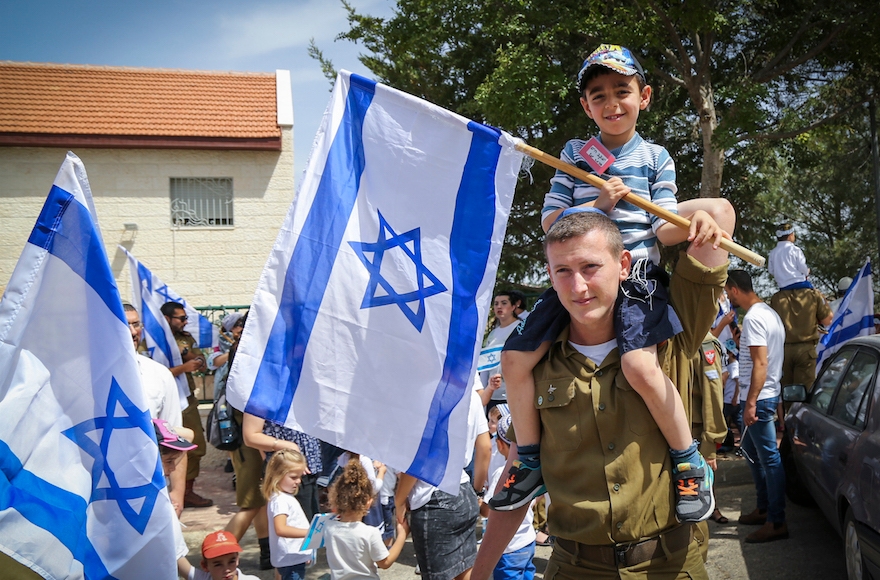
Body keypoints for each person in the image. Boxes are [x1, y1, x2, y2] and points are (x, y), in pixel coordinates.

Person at [491, 43, 733, 526]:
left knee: (642, 366)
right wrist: (598, 204)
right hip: (576, 275)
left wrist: (698, 221)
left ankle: (687, 461)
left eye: (622, 91)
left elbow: (663, 230)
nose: (611, 103)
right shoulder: (573, 156)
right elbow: (551, 223)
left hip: (637, 278)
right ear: (586, 106)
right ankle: (532, 458)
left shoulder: (656, 157)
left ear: (643, 96)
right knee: (514, 357)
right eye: (598, 95)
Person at [474, 208, 731, 579]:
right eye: (563, 271)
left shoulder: (671, 332)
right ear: (550, 274)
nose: (577, 287)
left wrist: (675, 217)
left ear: (624, 263)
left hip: (669, 566)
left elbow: (721, 214)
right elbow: (519, 470)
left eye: (591, 267)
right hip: (575, 568)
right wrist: (480, 574)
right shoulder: (534, 366)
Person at [396, 387, 491, 580]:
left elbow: (421, 458)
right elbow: (485, 448)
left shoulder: (427, 393)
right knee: (465, 571)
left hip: (433, 498)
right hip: (464, 490)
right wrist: (477, 490)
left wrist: (399, 500)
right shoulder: (471, 395)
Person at [725, 269, 789, 543]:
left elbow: (761, 363)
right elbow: (761, 358)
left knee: (770, 459)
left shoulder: (753, 318)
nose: (729, 298)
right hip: (765, 395)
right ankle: (764, 509)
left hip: (760, 398)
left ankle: (776, 521)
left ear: (734, 289)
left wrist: (750, 402)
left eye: (728, 293)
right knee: (752, 453)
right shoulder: (770, 314)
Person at [124, 303, 186, 514]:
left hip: (152, 488)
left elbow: (176, 440)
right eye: (125, 325)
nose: (133, 332)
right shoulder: (87, 376)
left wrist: (177, 494)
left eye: (136, 324)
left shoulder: (159, 374)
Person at [161, 300, 213, 508]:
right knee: (166, 445)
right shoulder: (151, 341)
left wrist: (195, 360)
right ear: (167, 319)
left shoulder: (184, 338)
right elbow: (156, 372)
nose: (185, 322)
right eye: (181, 318)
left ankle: (187, 490)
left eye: (185, 318)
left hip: (186, 397)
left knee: (195, 445)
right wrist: (183, 367)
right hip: (162, 398)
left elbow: (200, 359)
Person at [323, 458, 410, 579]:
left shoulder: (328, 527)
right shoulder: (369, 533)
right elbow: (385, 562)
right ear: (368, 502)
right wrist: (402, 535)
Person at [480, 414, 537, 580]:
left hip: (509, 548)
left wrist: (480, 504)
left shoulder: (501, 475)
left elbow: (488, 511)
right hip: (528, 541)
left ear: (499, 444)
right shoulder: (531, 472)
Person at [690, 332, 730, 540]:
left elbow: (712, 393)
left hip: (693, 431)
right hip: (671, 427)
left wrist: (710, 443)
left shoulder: (704, 343)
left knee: (697, 495)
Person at [769, 277, 832, 389]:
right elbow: (828, 320)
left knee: (785, 392)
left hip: (783, 351)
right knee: (804, 393)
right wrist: (822, 299)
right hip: (806, 351)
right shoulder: (813, 295)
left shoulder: (777, 298)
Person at [262, 449, 312, 580]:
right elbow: (281, 528)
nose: (299, 481)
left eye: (300, 476)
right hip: (290, 560)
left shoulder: (284, 497)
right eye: (294, 477)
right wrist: (310, 533)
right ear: (277, 475)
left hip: (294, 557)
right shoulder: (280, 500)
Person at [478, 291, 527, 411]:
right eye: (496, 304)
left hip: (513, 393)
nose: (499, 307)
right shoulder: (492, 334)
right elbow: (485, 366)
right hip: (493, 393)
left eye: (504, 303)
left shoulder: (520, 328)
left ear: (514, 306)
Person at [189, 530, 260, 580]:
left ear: (237, 559)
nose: (227, 570)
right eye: (218, 565)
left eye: (231, 562)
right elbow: (179, 558)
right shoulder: (203, 578)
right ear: (204, 566)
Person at [767, 223, 812, 290]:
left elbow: (771, 270)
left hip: (783, 287)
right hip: (800, 284)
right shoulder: (795, 250)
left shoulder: (773, 252)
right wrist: (807, 271)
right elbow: (802, 267)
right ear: (790, 236)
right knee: (819, 297)